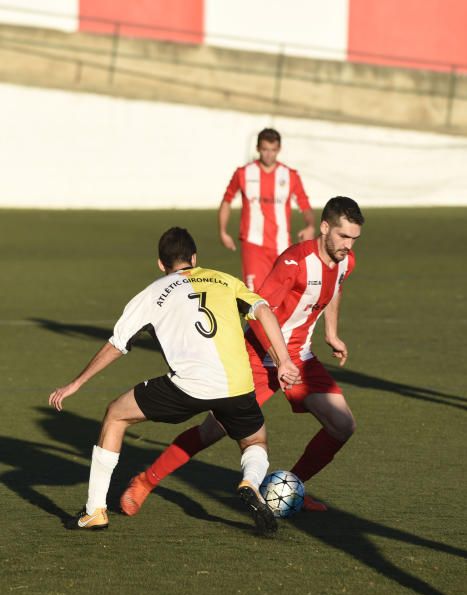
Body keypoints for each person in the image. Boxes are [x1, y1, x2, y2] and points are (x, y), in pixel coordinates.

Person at [120, 197, 364, 516]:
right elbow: (257, 314)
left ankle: (290, 489)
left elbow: (336, 288)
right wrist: (280, 360)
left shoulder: (346, 260)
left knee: (342, 425)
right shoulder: (294, 262)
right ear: (324, 227)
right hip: (260, 357)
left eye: (354, 239)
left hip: (300, 357)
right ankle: (146, 481)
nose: (348, 245)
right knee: (212, 431)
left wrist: (331, 333)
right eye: (343, 236)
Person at [49, 227, 300, 535]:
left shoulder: (153, 292)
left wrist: (77, 383)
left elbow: (118, 344)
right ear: (194, 258)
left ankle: (94, 511)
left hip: (188, 387)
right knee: (255, 440)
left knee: (115, 415)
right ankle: (250, 480)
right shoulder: (225, 280)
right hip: (236, 384)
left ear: (160, 264)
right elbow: (263, 311)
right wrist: (284, 360)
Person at [219, 127, 315, 291]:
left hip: (282, 246)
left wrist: (311, 225)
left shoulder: (290, 175)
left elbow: (305, 205)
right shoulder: (243, 173)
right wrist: (223, 231)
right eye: (265, 149)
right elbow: (227, 200)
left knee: (282, 296)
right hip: (253, 245)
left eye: (273, 150)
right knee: (256, 297)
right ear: (258, 149)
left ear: (278, 150)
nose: (269, 154)